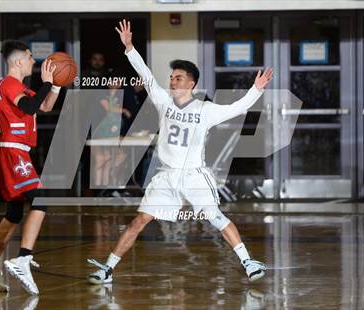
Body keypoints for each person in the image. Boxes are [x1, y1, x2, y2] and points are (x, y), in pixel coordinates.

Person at [87, 20, 273, 284]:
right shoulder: (163, 100)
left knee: (217, 218)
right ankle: (107, 269)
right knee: (139, 221)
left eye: (178, 78)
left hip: (194, 176)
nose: (173, 81)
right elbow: (146, 75)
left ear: (192, 83)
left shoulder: (205, 110)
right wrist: (129, 47)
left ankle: (248, 262)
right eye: (172, 77)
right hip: (166, 176)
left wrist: (257, 89)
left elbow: (238, 108)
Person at [0, 40, 61, 295]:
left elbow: (44, 106)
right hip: (12, 151)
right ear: (19, 61)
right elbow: (30, 106)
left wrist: (54, 84)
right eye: (31, 57)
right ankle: (23, 258)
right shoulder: (9, 83)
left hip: (16, 152)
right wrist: (45, 84)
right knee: (41, 200)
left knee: (13, 214)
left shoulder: (19, 86)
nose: (35, 61)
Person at [91, 73, 132, 187]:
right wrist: (123, 110)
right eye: (114, 80)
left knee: (111, 159)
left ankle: (107, 188)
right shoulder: (100, 93)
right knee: (100, 159)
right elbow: (108, 108)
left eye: (119, 81)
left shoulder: (118, 96)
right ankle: (98, 189)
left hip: (110, 134)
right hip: (98, 133)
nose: (117, 83)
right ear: (107, 82)